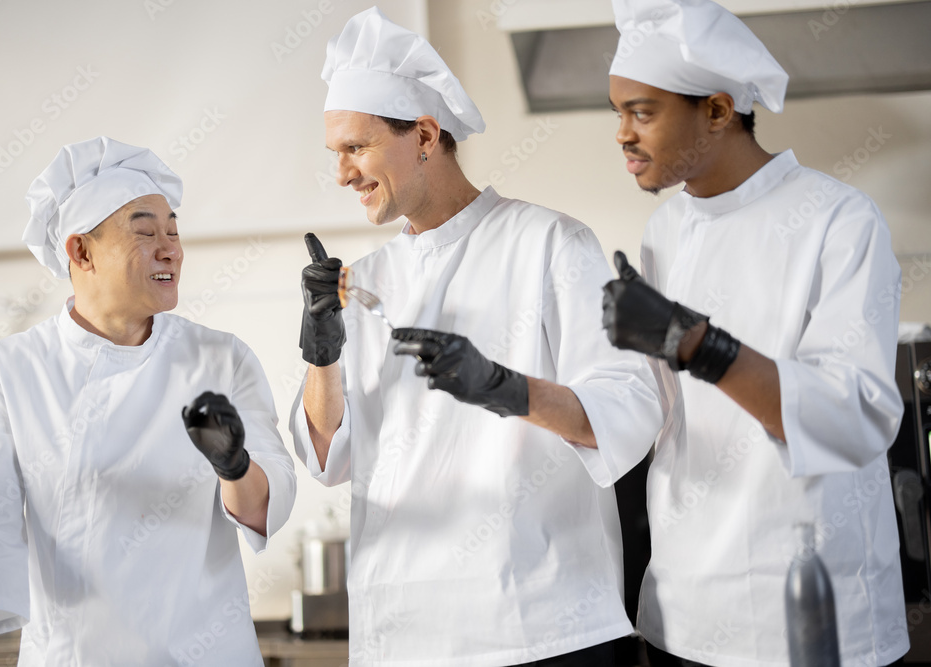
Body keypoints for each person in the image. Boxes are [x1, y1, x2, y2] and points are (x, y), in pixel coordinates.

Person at [289, 7, 664, 666]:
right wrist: (322, 356)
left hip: (542, 628)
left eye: (356, 147)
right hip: (405, 635)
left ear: (426, 136)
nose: (342, 173)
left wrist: (504, 387)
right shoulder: (365, 280)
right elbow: (327, 459)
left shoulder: (551, 244)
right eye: (335, 154)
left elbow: (629, 413)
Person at [599, 1, 909, 665]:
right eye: (617, 111)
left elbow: (855, 415)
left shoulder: (840, 220)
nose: (621, 133)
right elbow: (661, 416)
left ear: (716, 110)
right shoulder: (666, 230)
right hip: (684, 609)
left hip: (811, 613)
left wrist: (698, 344)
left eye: (642, 111)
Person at [0, 137, 296, 666]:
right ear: (80, 251)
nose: (171, 248)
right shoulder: (2, 372)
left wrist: (234, 464)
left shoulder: (221, 358)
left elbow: (268, 506)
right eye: (146, 232)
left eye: (173, 230)